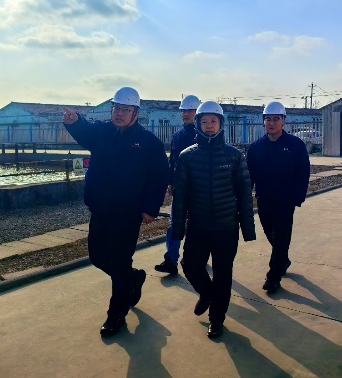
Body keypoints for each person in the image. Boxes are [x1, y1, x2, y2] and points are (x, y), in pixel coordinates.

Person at [62, 87, 168, 337]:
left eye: (125, 109)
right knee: (98, 257)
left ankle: (116, 315)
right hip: (100, 208)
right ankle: (134, 278)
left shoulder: (148, 142)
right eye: (116, 108)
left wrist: (150, 208)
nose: (119, 113)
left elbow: (159, 177)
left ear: (136, 113)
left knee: (119, 263)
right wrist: (75, 122)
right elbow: (85, 132)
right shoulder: (102, 132)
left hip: (128, 213)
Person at [171, 101, 256, 339]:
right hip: (197, 225)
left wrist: (248, 229)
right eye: (205, 121)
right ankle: (206, 292)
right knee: (190, 265)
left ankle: (216, 319)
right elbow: (180, 197)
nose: (209, 125)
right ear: (198, 124)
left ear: (221, 124)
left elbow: (244, 194)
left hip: (225, 227)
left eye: (213, 121)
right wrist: (177, 230)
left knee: (223, 274)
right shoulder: (187, 156)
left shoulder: (234, 156)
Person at [246, 101, 310, 294]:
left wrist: (298, 196)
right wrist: (246, 197)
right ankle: (283, 260)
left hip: (286, 201)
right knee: (271, 234)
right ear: (263, 122)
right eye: (268, 119)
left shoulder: (295, 145)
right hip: (264, 200)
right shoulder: (256, 148)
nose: (271, 123)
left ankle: (273, 277)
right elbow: (249, 175)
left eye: (276, 119)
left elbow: (303, 172)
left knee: (281, 237)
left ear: (283, 121)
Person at [154, 95, 200, 275]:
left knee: (196, 225)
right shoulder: (178, 135)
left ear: (197, 112)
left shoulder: (203, 135)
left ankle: (198, 257)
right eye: (183, 111)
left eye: (189, 111)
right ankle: (170, 260)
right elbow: (173, 161)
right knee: (174, 224)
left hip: (198, 189)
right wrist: (170, 182)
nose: (186, 114)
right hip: (180, 187)